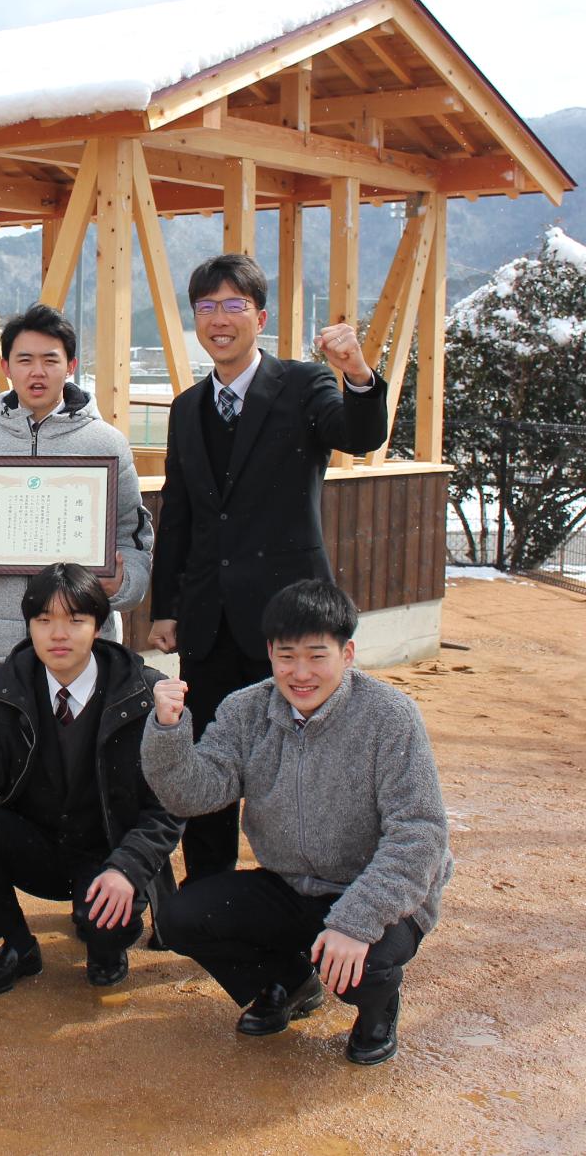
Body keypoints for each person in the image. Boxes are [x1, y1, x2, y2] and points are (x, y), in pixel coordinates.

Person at [147, 253, 388, 885]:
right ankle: (206, 893)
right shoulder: (187, 407)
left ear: (260, 316)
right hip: (208, 618)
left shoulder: (304, 385)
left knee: (307, 760)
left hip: (290, 621)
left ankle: (309, 891)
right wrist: (167, 607)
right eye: (206, 307)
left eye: (233, 306)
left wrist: (358, 372)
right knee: (208, 759)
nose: (219, 320)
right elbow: (180, 518)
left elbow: (360, 435)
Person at [141, 580, 451, 1066]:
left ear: (347, 654)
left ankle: (377, 1009)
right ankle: (286, 982)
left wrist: (356, 921)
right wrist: (167, 731)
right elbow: (195, 793)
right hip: (290, 884)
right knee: (181, 917)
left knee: (359, 966)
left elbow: (420, 834)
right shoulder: (246, 709)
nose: (300, 673)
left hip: (374, 891)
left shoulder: (390, 717)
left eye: (317, 656)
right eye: (287, 656)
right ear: (269, 652)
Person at [0, 302, 153, 920]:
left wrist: (117, 584)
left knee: (77, 762)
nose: (36, 370)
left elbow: (134, 541)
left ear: (70, 365)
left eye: (49, 359)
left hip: (77, 642)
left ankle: (101, 870)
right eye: (23, 358)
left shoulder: (105, 442)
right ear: (6, 365)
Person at [0, 563, 182, 995]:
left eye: (75, 621)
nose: (59, 634)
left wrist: (128, 867)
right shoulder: (6, 683)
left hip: (110, 853)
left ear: (99, 627)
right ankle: (16, 945)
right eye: (44, 621)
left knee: (102, 925)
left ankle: (106, 949)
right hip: (41, 845)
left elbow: (168, 808)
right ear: (29, 627)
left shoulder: (142, 692)